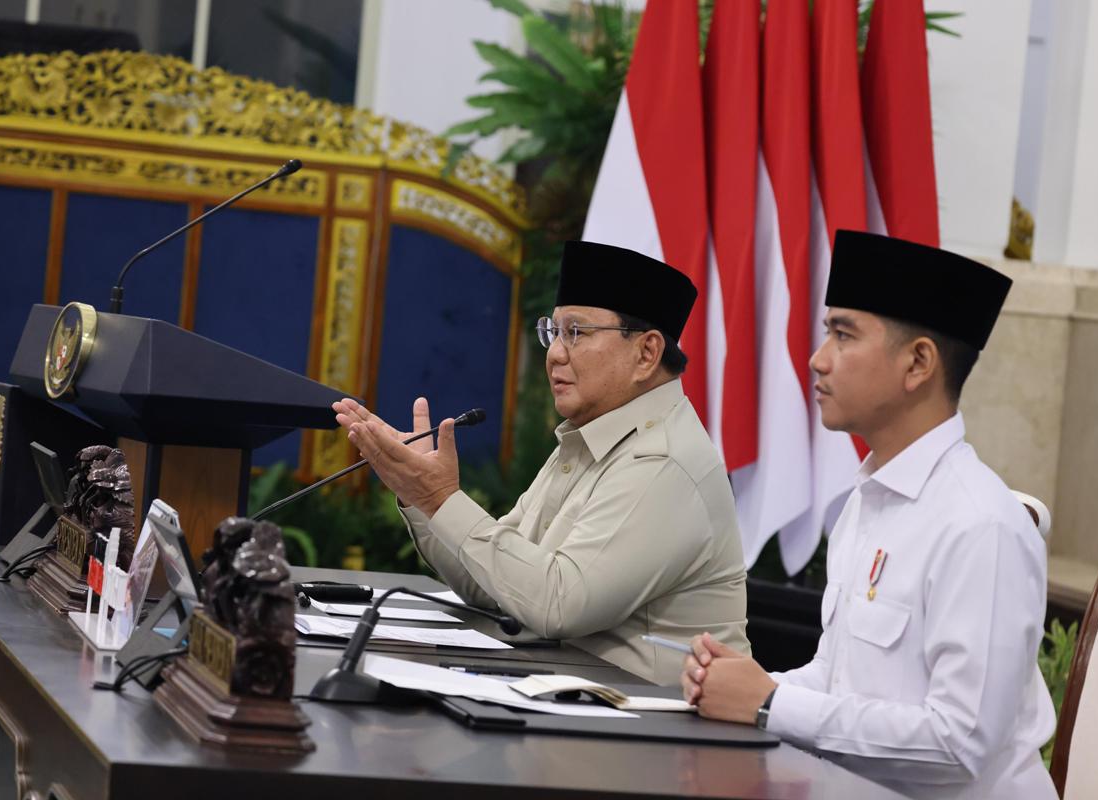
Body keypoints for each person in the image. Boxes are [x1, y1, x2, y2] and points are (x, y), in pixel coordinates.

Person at [681, 231, 1056, 800]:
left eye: (843, 334)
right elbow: (837, 678)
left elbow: (959, 746)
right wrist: (740, 686)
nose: (817, 359)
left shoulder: (982, 524)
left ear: (918, 363)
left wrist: (769, 704)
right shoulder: (867, 499)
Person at [335, 240, 750, 684]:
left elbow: (558, 605)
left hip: (657, 727)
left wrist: (440, 498)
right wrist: (419, 495)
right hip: (572, 702)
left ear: (646, 354)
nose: (554, 353)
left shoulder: (664, 461)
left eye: (576, 332)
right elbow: (493, 586)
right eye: (553, 332)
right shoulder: (590, 435)